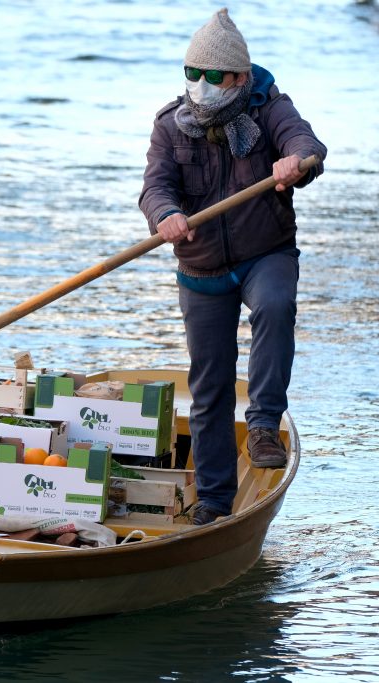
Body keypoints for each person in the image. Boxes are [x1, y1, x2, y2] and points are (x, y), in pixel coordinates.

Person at [138, 8, 326, 525]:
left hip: (265, 250)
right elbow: (155, 188)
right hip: (201, 269)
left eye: (213, 77)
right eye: (192, 75)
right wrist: (166, 214)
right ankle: (216, 500)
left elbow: (306, 143)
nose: (201, 85)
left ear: (240, 78)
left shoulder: (271, 108)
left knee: (275, 304)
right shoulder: (169, 125)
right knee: (210, 386)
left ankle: (264, 425)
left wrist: (297, 161)